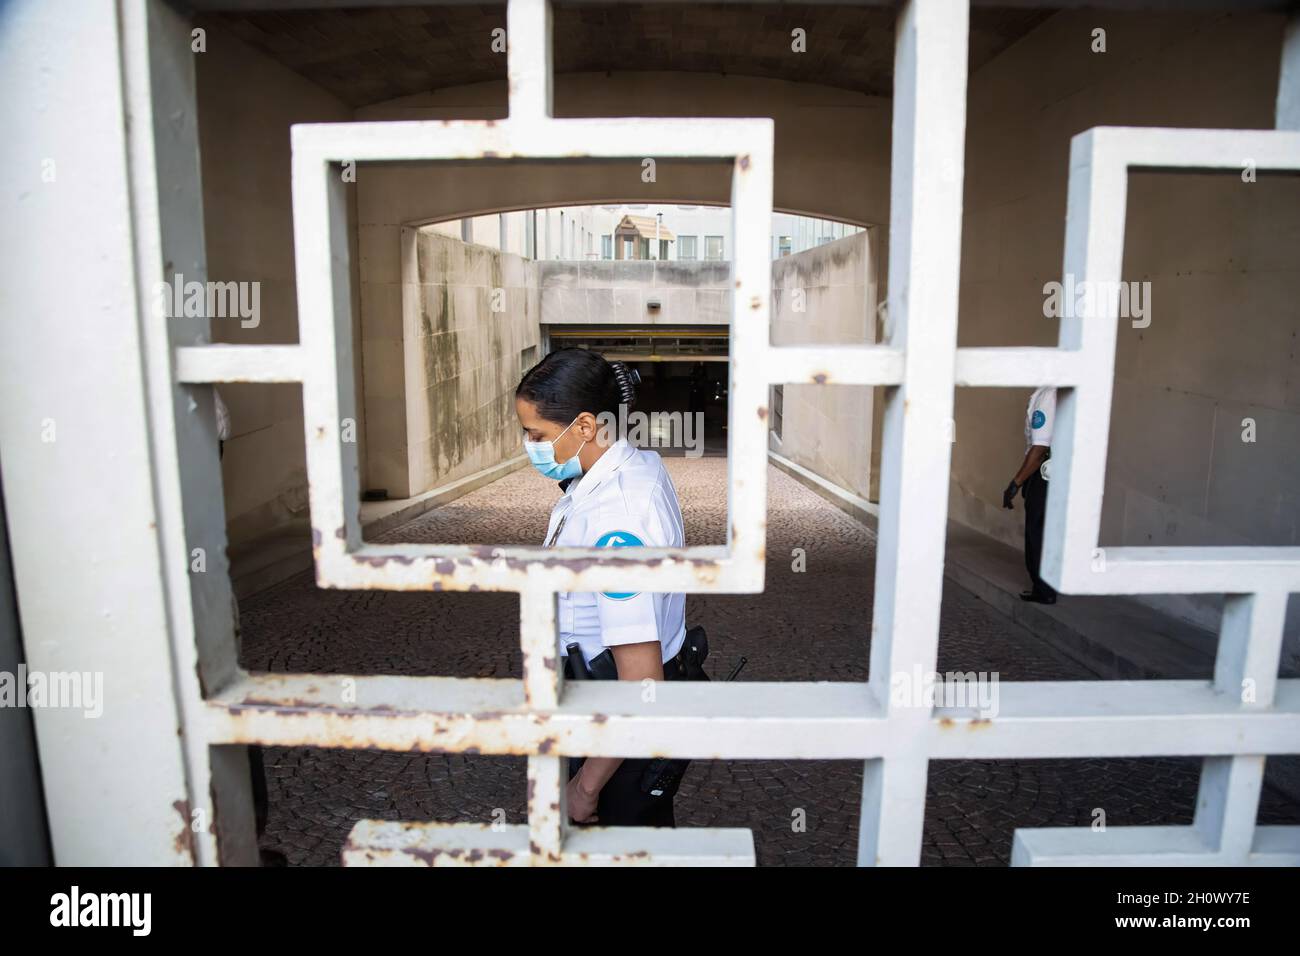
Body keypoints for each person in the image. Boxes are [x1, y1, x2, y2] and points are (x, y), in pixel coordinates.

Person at [514, 348, 693, 827]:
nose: (530, 446)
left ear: (586, 427)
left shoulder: (616, 520)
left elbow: (639, 681)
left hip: (619, 732)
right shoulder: (636, 466)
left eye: (537, 435)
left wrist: (586, 786)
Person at [1003, 385, 1057, 604]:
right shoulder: (1054, 392)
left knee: (1037, 529)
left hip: (1044, 472)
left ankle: (1043, 589)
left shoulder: (1046, 396)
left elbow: (1039, 447)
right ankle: (1047, 586)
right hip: (1053, 469)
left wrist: (1016, 482)